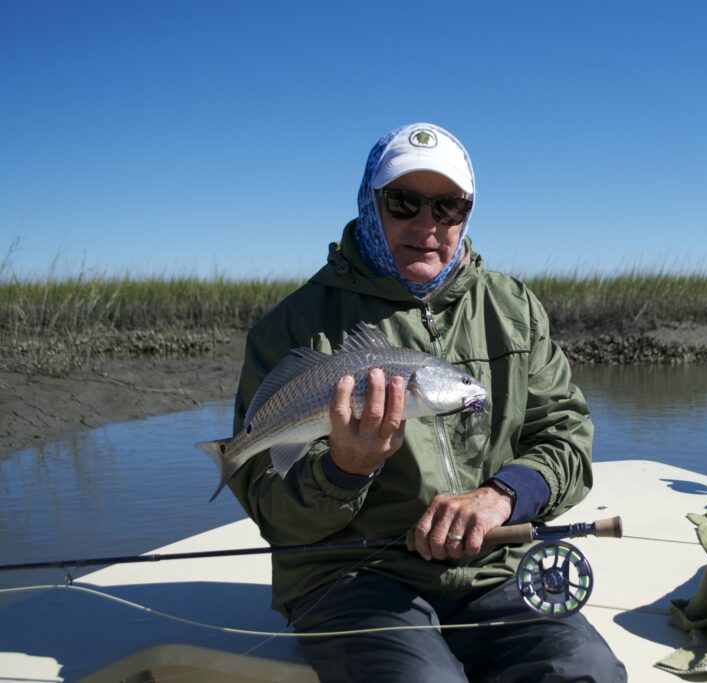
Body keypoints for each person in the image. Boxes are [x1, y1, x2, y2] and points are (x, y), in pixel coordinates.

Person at [228, 122, 626, 682]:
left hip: (495, 567)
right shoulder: (293, 327)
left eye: (449, 206)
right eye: (403, 201)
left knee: (588, 674)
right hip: (351, 579)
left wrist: (502, 497)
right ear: (371, 204)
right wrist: (344, 472)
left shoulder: (513, 307)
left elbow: (565, 437)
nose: (427, 225)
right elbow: (275, 513)